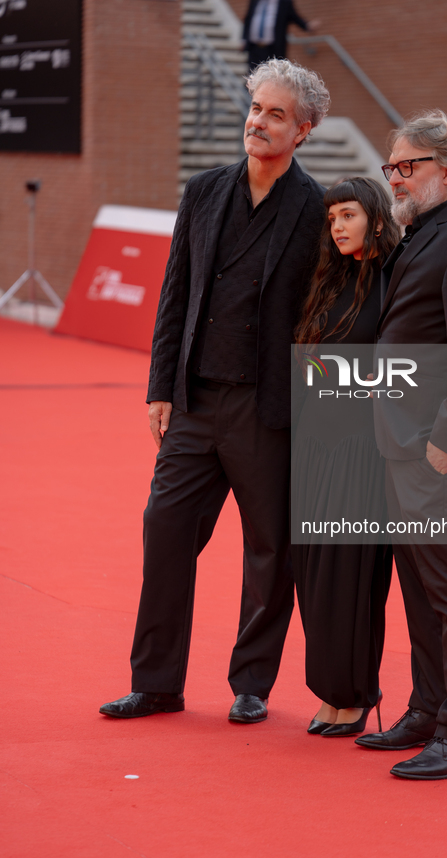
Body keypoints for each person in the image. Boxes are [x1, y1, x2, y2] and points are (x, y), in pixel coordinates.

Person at [99, 59, 330, 725]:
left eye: (276, 114)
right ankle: (156, 681)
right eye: (256, 108)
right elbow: (176, 294)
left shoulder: (316, 207)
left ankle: (251, 682)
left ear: (304, 130)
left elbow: (324, 314)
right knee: (164, 529)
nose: (258, 121)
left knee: (268, 550)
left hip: (269, 409)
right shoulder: (202, 192)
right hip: (194, 402)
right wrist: (159, 387)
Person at [355, 110, 447, 780]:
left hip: (435, 451)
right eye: (391, 166)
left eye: (405, 166)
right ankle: (426, 709)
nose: (395, 178)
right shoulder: (423, 232)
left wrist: (444, 444)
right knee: (418, 588)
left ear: (445, 170)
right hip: (403, 443)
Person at [292, 177, 398, 737]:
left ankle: (354, 693)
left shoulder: (395, 280)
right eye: (331, 216)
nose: (336, 225)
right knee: (311, 573)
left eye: (348, 214)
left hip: (363, 453)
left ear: (376, 218)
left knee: (350, 576)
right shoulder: (330, 281)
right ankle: (329, 689)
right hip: (314, 446)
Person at [242, 0, 321, 71]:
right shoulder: (255, 1)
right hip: (254, 47)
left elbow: (295, 17)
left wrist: (307, 25)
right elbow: (248, 19)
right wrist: (243, 39)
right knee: (252, 73)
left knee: (271, 73)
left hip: (272, 49)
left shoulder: (284, 3)